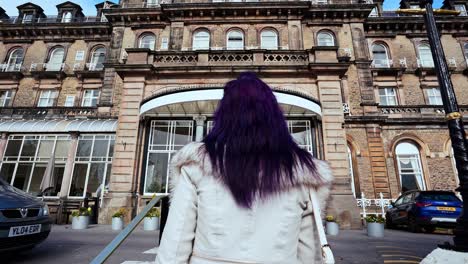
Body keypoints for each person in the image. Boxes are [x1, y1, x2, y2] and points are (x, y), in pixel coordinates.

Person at [155, 72, 333, 264]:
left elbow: (175, 243)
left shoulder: (197, 165)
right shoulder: (302, 173)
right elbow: (309, 253)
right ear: (274, 116)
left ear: (224, 115)